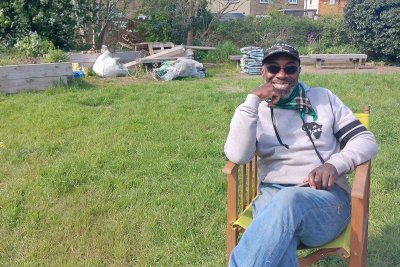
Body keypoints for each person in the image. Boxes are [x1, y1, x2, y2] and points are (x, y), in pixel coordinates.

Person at [224, 42, 378, 267]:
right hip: (272, 198)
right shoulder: (253, 110)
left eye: (290, 68)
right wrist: (252, 101)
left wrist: (334, 165)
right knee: (280, 243)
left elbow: (365, 140)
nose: (282, 74)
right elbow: (237, 157)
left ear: (299, 71)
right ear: (263, 71)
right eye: (274, 68)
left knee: (289, 199)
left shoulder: (323, 99)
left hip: (327, 199)